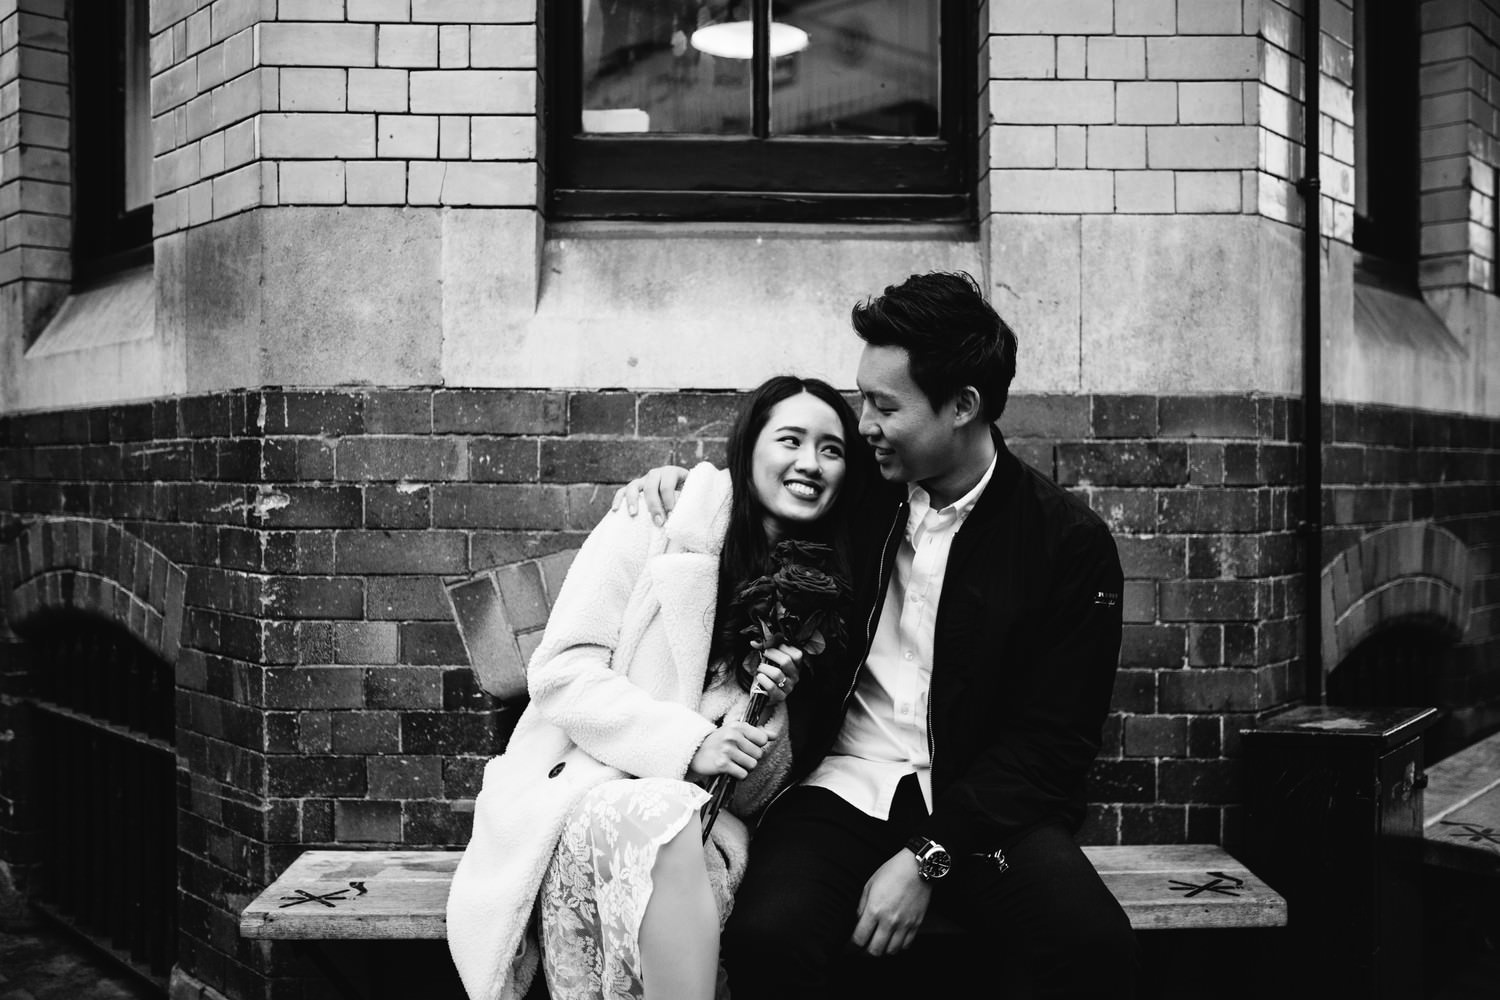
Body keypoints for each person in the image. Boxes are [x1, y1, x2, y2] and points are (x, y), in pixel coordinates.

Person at [614, 271, 1137, 998]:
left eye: (884, 405)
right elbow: (767, 479)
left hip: (984, 812)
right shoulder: (862, 490)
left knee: (1092, 948)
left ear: (963, 406)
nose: (861, 425)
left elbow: (1054, 744)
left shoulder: (1065, 543)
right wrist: (682, 485)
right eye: (863, 398)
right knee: (768, 939)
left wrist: (931, 855)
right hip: (840, 788)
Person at [446, 376, 873, 1000]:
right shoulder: (655, 518)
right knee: (663, 822)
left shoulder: (820, 595)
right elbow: (561, 671)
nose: (811, 462)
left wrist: (768, 706)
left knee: (678, 831)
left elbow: (746, 798)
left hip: (702, 832)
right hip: (583, 796)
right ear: (749, 447)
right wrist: (688, 743)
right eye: (791, 440)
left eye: (832, 449)